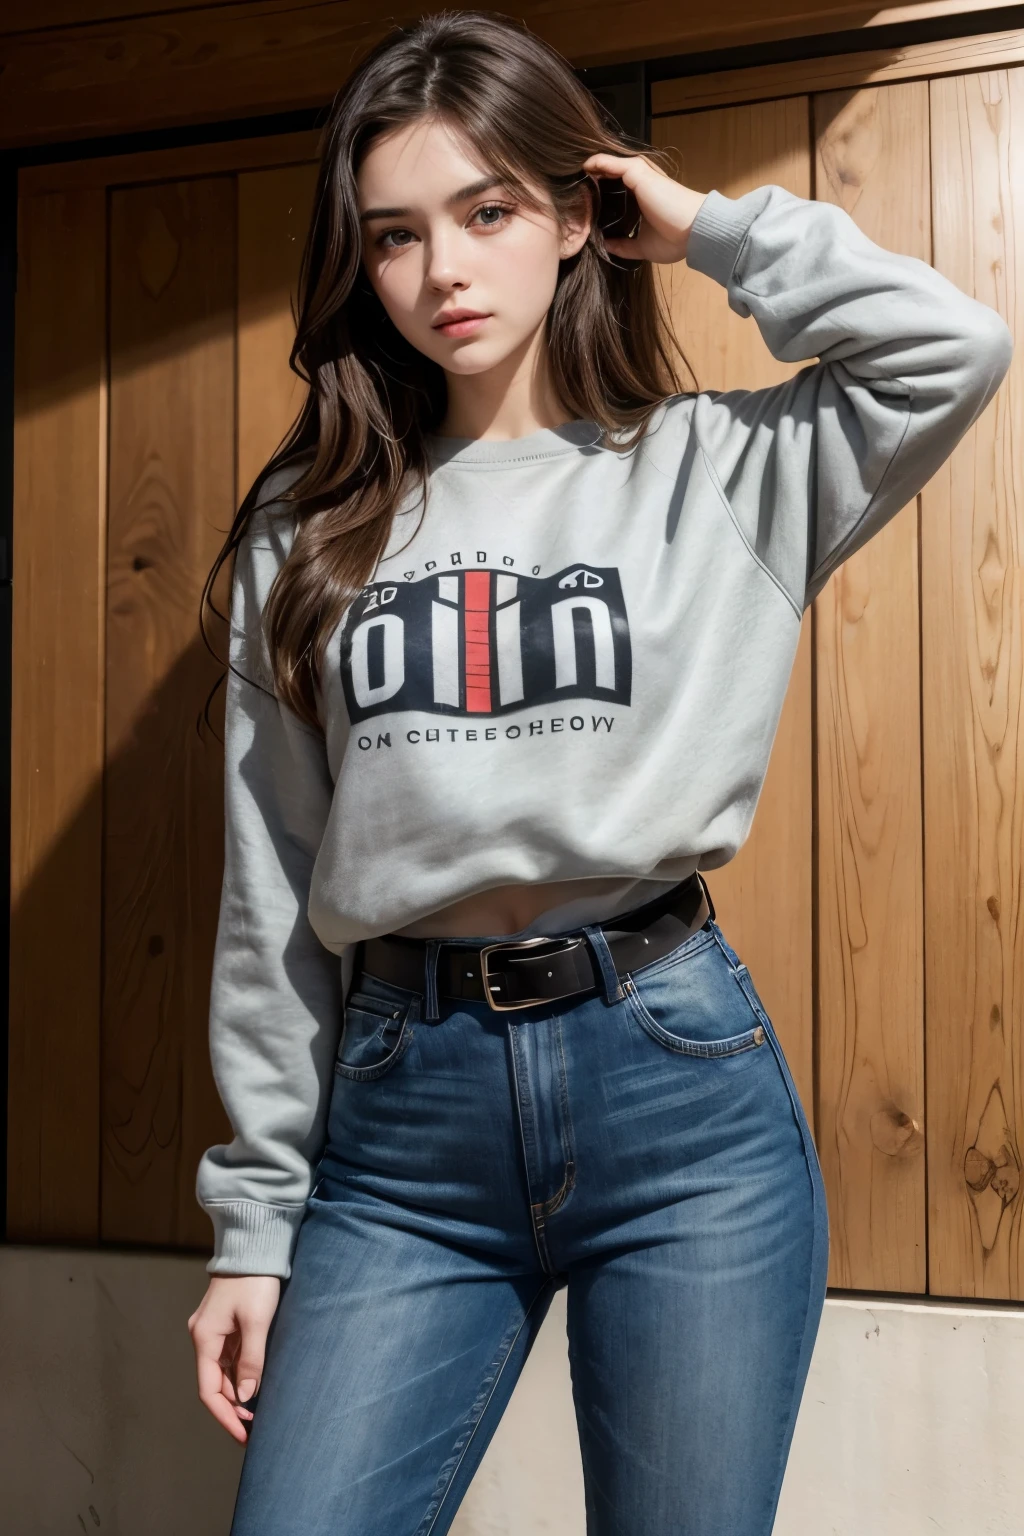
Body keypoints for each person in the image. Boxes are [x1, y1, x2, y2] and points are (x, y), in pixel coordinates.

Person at [186, 11, 1012, 1534]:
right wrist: (254, 1227)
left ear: (578, 214)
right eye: (394, 235)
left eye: (489, 211)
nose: (443, 271)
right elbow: (271, 894)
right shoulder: (303, 537)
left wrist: (698, 225)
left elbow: (954, 346)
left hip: (678, 1097)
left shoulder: (719, 469)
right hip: (399, 1131)